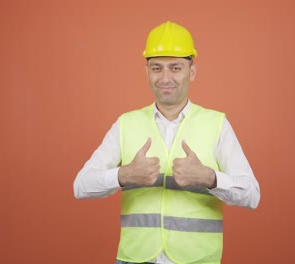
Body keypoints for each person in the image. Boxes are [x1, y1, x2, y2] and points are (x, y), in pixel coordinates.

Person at [73, 21, 260, 264]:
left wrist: (209, 178)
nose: (165, 77)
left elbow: (252, 195)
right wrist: (123, 175)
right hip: (135, 259)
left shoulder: (217, 124)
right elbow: (81, 186)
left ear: (191, 71)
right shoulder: (125, 124)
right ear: (146, 72)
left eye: (175, 67)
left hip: (197, 260)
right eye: (156, 68)